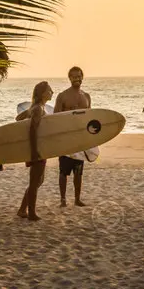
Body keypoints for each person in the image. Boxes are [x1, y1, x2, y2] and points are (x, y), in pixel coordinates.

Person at [54, 66, 91, 207]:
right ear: (69, 78)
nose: (77, 78)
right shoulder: (62, 96)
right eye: (74, 76)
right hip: (66, 139)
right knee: (63, 171)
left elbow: (90, 118)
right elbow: (55, 117)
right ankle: (63, 200)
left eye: (79, 76)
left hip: (81, 138)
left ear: (82, 77)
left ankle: (77, 199)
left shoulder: (86, 96)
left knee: (78, 171)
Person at [17, 81, 53, 220]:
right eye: (49, 90)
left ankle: (22, 210)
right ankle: (31, 213)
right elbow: (32, 130)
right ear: (42, 93)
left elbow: (18, 118)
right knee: (35, 181)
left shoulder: (37, 107)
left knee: (39, 181)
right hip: (36, 149)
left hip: (39, 148)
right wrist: (33, 152)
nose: (52, 92)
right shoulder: (38, 109)